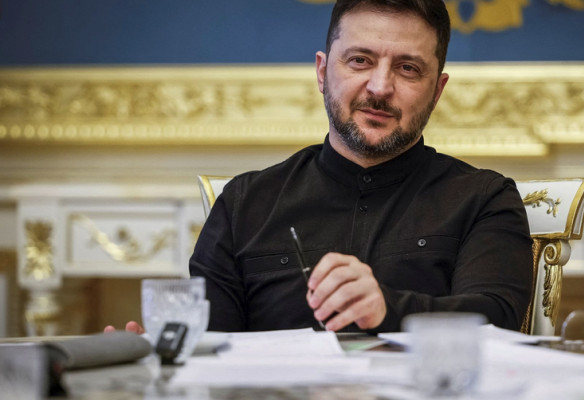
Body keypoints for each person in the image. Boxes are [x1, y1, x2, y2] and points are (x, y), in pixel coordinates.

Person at [106, 0, 533, 335]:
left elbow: (496, 320)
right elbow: (210, 344)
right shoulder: (244, 203)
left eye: (408, 69)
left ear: (437, 91)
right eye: (360, 60)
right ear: (322, 71)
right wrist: (161, 357)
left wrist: (387, 310)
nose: (380, 87)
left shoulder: (485, 199)